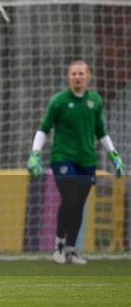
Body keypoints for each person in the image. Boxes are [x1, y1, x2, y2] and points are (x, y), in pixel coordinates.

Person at [27, 60, 124, 265]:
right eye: (74, 74)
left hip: (87, 160)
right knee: (69, 199)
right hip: (62, 158)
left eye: (81, 73)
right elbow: (43, 129)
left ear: (88, 76)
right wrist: (35, 154)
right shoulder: (59, 101)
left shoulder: (95, 101)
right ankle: (59, 245)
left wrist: (114, 155)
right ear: (68, 77)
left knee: (79, 204)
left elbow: (101, 132)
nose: (77, 77)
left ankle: (71, 250)